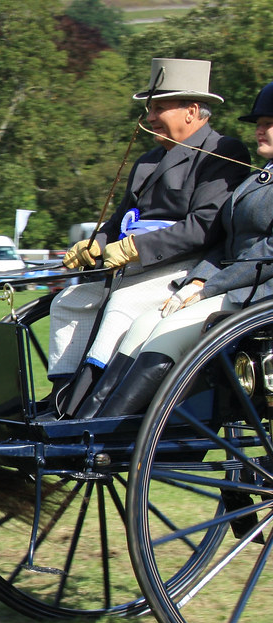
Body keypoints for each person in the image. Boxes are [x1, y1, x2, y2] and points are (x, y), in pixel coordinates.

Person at [49, 58, 251, 416]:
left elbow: (204, 226)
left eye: (159, 108)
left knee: (121, 308)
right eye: (150, 108)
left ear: (191, 110)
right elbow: (120, 217)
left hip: (183, 264)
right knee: (69, 300)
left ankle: (91, 407)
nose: (150, 117)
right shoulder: (148, 160)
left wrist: (134, 248)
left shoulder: (223, 152)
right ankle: (62, 397)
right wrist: (96, 243)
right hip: (134, 264)